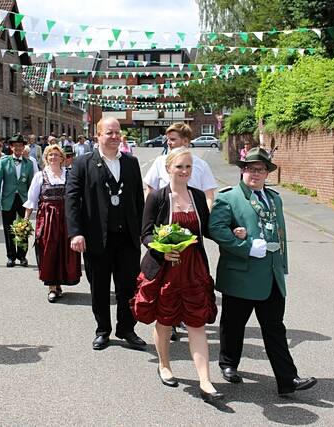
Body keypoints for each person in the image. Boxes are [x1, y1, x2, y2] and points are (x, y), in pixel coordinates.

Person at [208, 147, 316, 395]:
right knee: (234, 324)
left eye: (260, 169)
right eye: (250, 168)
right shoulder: (229, 197)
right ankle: (228, 363)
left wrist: (283, 266)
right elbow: (217, 230)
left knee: (275, 327)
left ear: (267, 173)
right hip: (241, 275)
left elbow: (281, 235)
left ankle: (288, 380)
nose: (254, 174)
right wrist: (246, 246)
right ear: (242, 170)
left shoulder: (275, 198)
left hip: (271, 275)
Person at [132, 147, 222, 402]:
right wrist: (163, 249)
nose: (184, 172)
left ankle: (205, 381)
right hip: (166, 269)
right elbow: (146, 234)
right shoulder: (158, 198)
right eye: (180, 167)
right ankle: (164, 364)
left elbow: (207, 230)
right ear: (168, 168)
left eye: (188, 167)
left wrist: (234, 232)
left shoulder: (196, 196)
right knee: (165, 321)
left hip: (193, 268)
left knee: (196, 322)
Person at [65, 117, 146, 351]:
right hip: (95, 238)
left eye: (117, 133)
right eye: (109, 133)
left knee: (128, 287)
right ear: (97, 135)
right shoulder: (82, 163)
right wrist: (76, 233)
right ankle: (103, 330)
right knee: (99, 287)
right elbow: (72, 200)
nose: (114, 137)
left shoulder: (131, 162)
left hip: (127, 238)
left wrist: (143, 231)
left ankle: (127, 329)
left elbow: (138, 201)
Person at [24, 145, 81, 303]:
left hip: (66, 218)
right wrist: (25, 220)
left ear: (62, 158)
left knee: (65, 251)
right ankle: (52, 287)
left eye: (56, 155)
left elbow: (77, 198)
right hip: (47, 219)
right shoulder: (40, 176)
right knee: (49, 251)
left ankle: (60, 283)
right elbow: (31, 200)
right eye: (50, 155)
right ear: (46, 158)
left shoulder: (69, 175)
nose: (53, 158)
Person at [144, 123, 217, 210]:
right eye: (168, 139)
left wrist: (205, 217)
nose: (168, 143)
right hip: (164, 218)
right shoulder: (160, 162)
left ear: (185, 141)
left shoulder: (201, 165)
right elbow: (150, 190)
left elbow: (209, 195)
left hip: (193, 217)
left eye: (173, 139)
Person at [0, 134, 34, 268]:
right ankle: (11, 256)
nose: (18, 148)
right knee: (9, 229)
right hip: (8, 199)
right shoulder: (4, 161)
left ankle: (22, 256)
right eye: (15, 146)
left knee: (22, 228)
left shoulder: (29, 163)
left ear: (23, 148)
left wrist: (33, 202)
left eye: (20, 146)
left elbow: (31, 185)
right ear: (11, 147)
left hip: (23, 199)